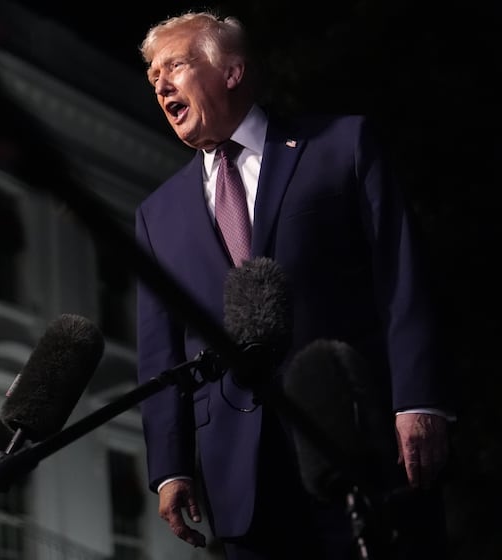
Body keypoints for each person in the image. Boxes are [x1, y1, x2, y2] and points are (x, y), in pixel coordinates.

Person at [133, 10, 452, 560]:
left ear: (232, 71)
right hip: (241, 474)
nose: (160, 85)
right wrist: (170, 466)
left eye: (175, 66)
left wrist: (419, 400)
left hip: (358, 437)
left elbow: (401, 276)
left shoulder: (341, 145)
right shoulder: (155, 216)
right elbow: (161, 351)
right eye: (152, 76)